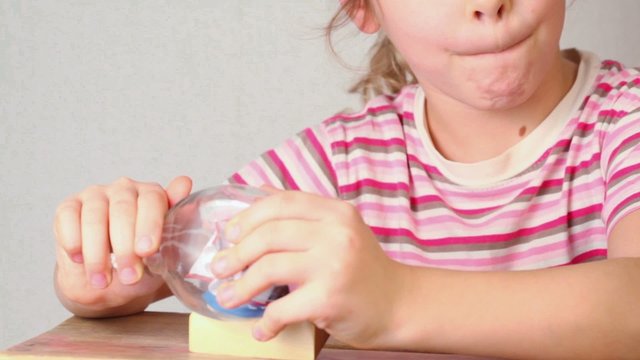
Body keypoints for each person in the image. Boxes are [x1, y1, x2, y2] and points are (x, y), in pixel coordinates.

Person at [53, 1, 640, 358]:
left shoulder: (626, 119)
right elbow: (198, 258)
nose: (486, 2)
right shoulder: (340, 160)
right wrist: (115, 261)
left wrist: (395, 300)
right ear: (365, 6)